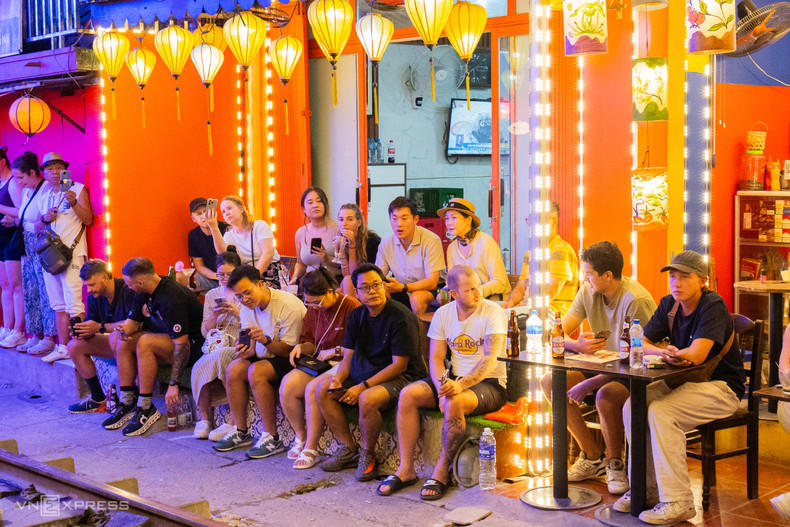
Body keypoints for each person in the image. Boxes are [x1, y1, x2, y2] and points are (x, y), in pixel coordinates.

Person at [614, 250, 746, 525]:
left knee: (661, 412)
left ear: (703, 280)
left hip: (721, 389)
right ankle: (644, 489)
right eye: (673, 276)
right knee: (632, 405)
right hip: (685, 381)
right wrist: (664, 353)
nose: (677, 283)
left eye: (685, 277)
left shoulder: (713, 305)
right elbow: (641, 342)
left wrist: (670, 352)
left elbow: (697, 354)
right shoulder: (668, 305)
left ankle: (679, 501)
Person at [379, 266, 507, 500]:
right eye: (470, 289)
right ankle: (406, 469)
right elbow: (435, 358)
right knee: (408, 394)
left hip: (490, 383)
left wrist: (459, 387)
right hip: (453, 378)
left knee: (454, 402)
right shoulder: (444, 313)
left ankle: (442, 471)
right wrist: (441, 389)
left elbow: (490, 359)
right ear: (455, 294)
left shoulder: (493, 312)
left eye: (478, 286)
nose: (478, 293)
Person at [540, 241, 656, 495]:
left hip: (634, 371)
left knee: (606, 395)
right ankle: (593, 458)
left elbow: (641, 357)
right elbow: (558, 333)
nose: (585, 279)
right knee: (550, 382)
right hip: (602, 364)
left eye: (589, 274)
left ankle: (615, 463)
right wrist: (577, 345)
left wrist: (589, 384)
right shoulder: (587, 291)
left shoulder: (636, 300)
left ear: (608, 275)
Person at [315, 263, 426, 482]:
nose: (372, 291)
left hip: (402, 377)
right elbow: (347, 356)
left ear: (385, 286)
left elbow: (399, 365)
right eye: (365, 288)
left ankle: (368, 454)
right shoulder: (357, 315)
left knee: (367, 397)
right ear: (356, 291)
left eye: (376, 285)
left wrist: (362, 386)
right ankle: (348, 448)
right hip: (367, 372)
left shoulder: (400, 316)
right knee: (323, 389)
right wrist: (338, 379)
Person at [213, 265, 306, 457]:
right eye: (239, 296)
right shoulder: (247, 307)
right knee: (235, 368)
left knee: (257, 370)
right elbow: (251, 348)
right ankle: (241, 431)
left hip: (292, 357)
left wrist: (265, 340)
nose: (244, 300)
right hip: (267, 353)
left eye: (248, 293)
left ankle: (272, 437)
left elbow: (289, 349)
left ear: (260, 284)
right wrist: (244, 350)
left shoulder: (287, 305)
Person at [111, 257, 205, 437]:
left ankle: (146, 406)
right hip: (169, 341)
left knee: (145, 342)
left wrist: (173, 384)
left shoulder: (172, 297)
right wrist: (122, 330)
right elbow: (132, 323)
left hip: (194, 346)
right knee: (122, 338)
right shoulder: (143, 290)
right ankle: (128, 400)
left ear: (139, 281)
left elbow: (182, 345)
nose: (128, 288)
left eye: (129, 284)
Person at [279, 268, 360, 469]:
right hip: (321, 363)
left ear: (331, 291)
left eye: (318, 302)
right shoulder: (313, 311)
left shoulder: (351, 307)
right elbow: (309, 342)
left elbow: (361, 347)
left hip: (346, 362)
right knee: (287, 385)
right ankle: (300, 436)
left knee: (312, 389)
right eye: (309, 302)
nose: (314, 306)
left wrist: (335, 350)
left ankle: (312, 447)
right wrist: (300, 347)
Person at [35, 152, 94, 363]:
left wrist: (75, 204)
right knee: (58, 305)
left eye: (59, 168)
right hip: (51, 257)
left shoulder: (77, 189)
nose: (55, 172)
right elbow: (36, 227)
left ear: (65, 170)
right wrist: (44, 218)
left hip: (74, 254)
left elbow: (88, 219)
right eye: (50, 169)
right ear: (43, 173)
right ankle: (63, 347)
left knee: (74, 303)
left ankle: (79, 348)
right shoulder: (43, 197)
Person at [67, 259, 146, 413]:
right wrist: (83, 331)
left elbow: (135, 323)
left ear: (105, 276)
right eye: (87, 286)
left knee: (115, 336)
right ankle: (97, 398)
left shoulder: (127, 290)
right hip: (113, 342)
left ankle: (128, 399)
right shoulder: (93, 298)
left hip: (135, 342)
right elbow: (94, 326)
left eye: (91, 284)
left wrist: (100, 327)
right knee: (73, 346)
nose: (89, 290)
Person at [191, 248, 243, 441]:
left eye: (229, 274)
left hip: (237, 343)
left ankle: (232, 420)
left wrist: (236, 312)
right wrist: (214, 315)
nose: (224, 278)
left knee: (221, 357)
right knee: (200, 364)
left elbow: (253, 322)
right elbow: (205, 332)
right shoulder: (213, 294)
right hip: (216, 343)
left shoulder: (244, 292)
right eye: (221, 274)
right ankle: (204, 419)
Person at [10, 152, 57, 355]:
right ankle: (35, 334)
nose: (19, 183)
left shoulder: (46, 187)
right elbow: (27, 217)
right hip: (26, 241)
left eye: (21, 178)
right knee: (30, 289)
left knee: (45, 288)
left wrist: (32, 224)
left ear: (32, 172)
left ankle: (49, 336)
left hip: (40, 242)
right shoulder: (27, 191)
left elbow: (41, 222)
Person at [375, 196, 445, 316]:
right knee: (378, 292)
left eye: (404, 218)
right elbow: (378, 275)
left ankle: (417, 334)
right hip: (402, 288)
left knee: (417, 298)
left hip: (436, 290)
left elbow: (432, 282)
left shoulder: (431, 240)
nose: (399, 224)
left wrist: (403, 287)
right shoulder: (386, 243)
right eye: (394, 218)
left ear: (415, 219)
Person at [506, 201, 578, 312]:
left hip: (551, 313)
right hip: (528, 308)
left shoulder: (562, 250)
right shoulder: (530, 253)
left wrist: (523, 308)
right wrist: (510, 304)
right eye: (531, 221)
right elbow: (520, 288)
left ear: (553, 221)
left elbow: (550, 293)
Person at [441, 198, 510, 300]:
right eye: (447, 218)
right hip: (465, 302)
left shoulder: (485, 242)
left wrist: (475, 292)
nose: (449, 223)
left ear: (468, 220)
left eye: (454, 218)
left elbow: (500, 282)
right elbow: (451, 282)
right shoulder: (451, 248)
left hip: (493, 301)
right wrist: (443, 293)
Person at [206, 195, 282, 289]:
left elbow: (268, 254)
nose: (226, 213)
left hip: (269, 271)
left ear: (241, 209)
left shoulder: (259, 226)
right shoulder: (229, 235)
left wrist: (253, 279)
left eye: (229, 208)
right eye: (223, 211)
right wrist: (213, 227)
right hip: (246, 274)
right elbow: (222, 253)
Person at [0, 145, 26, 348]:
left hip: (13, 239)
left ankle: (19, 330)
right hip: (1, 239)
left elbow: (21, 212)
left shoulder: (12, 183)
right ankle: (7, 328)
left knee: (17, 286)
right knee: (5, 286)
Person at [289, 187, 340, 284]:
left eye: (319, 201)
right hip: (310, 284)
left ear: (325, 204)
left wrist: (327, 259)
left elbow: (347, 265)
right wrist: (295, 277)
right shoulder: (300, 233)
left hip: (334, 282)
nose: (315, 205)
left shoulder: (338, 229)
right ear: (303, 208)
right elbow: (301, 263)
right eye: (310, 202)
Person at [335, 203, 381, 298]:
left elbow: (354, 276)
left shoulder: (372, 241)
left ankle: (354, 312)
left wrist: (352, 245)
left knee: (346, 284)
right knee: (338, 291)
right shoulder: (341, 239)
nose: (344, 223)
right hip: (351, 284)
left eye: (350, 219)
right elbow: (346, 274)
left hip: (370, 282)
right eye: (341, 219)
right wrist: (341, 250)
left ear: (359, 223)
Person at [187, 197, 228, 291]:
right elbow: (199, 266)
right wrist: (216, 276)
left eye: (206, 211)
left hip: (230, 276)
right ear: (193, 218)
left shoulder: (227, 228)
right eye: (199, 213)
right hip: (210, 277)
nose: (203, 216)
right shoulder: (193, 235)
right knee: (180, 278)